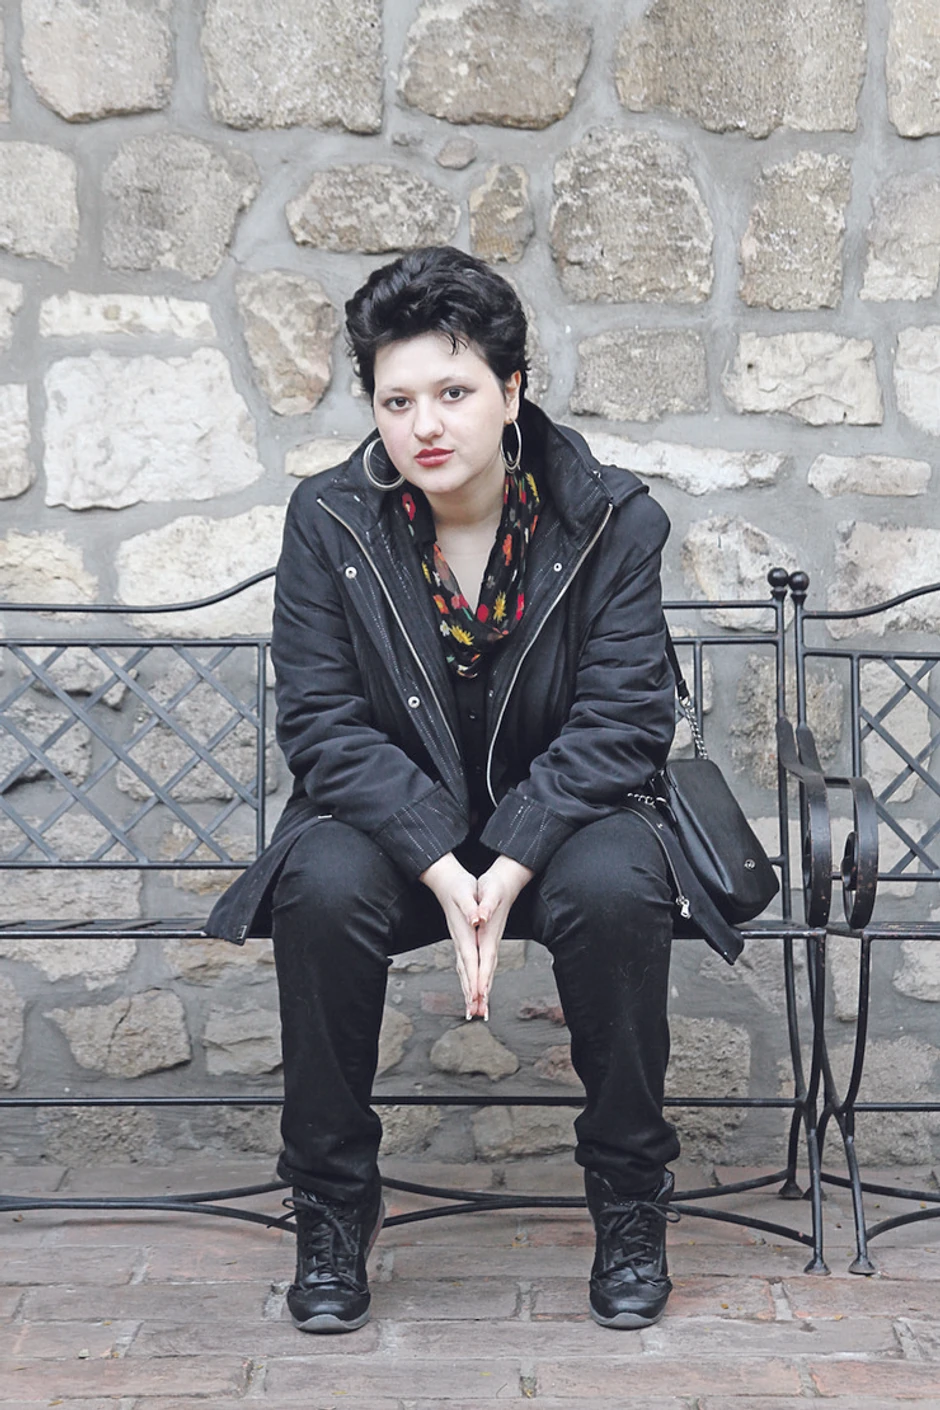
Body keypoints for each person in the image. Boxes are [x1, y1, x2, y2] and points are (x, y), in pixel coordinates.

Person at [207, 245, 681, 1334]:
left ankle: (629, 1199)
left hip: (568, 823)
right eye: (397, 400)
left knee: (617, 888)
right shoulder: (331, 521)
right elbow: (321, 724)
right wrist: (437, 857)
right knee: (320, 886)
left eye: (454, 392)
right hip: (388, 828)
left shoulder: (612, 519)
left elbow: (622, 720)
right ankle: (333, 1206)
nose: (425, 424)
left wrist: (509, 861)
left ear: (512, 392)